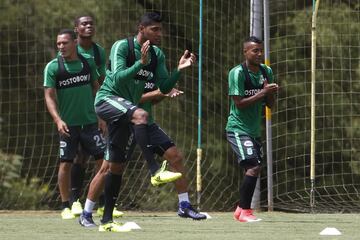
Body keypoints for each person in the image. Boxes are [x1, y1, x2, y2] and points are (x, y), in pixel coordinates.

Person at [83, 12, 203, 232]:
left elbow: (164, 88)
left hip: (130, 113)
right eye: (155, 29)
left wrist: (178, 70)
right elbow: (118, 78)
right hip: (107, 100)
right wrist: (140, 63)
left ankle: (107, 221)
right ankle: (155, 170)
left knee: (115, 167)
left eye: (161, 29)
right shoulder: (123, 47)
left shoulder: (157, 54)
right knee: (141, 115)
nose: (160, 34)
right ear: (141, 28)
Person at [43, 29, 106, 220]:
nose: (61, 47)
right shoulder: (53, 67)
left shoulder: (87, 62)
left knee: (103, 162)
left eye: (64, 43)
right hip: (68, 126)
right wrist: (58, 120)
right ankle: (65, 205)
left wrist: (102, 116)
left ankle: (98, 202)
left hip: (90, 123)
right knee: (65, 164)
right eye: (58, 44)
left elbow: (97, 88)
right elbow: (49, 96)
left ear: (74, 43)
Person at [69, 15, 124, 218]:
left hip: (95, 111)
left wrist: (107, 106)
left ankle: (101, 204)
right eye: (84, 23)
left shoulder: (98, 51)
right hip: (74, 113)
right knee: (78, 157)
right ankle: (74, 202)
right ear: (76, 28)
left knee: (103, 158)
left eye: (91, 23)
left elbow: (101, 80)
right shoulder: (70, 49)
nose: (88, 26)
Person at [226, 36, 278, 222]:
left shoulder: (266, 71)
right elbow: (239, 103)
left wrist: (270, 93)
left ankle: (240, 209)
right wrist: (262, 92)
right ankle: (246, 211)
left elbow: (270, 105)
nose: (259, 54)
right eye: (255, 50)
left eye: (260, 50)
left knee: (255, 167)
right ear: (245, 52)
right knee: (253, 167)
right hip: (237, 129)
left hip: (254, 130)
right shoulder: (237, 73)